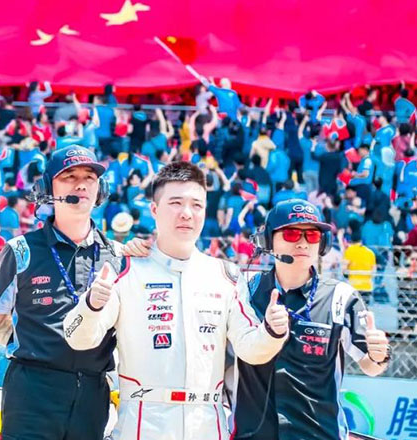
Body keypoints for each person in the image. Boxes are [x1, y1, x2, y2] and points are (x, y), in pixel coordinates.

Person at [63, 161, 288, 440]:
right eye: (176, 203)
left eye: (196, 205)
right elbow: (78, 339)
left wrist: (272, 331)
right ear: (154, 210)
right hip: (142, 425)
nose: (186, 213)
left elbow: (251, 350)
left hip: (207, 424)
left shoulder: (226, 275)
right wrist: (91, 305)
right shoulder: (125, 269)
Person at [0, 145, 127, 440]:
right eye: (69, 176)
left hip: (92, 397)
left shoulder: (119, 257)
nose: (81, 184)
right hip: (32, 393)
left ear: (100, 189)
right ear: (48, 188)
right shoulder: (20, 250)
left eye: (89, 177)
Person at [231, 199, 390, 439]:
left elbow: (370, 366)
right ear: (268, 241)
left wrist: (379, 355)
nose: (303, 243)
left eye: (313, 236)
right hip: (253, 434)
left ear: (323, 244)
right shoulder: (243, 292)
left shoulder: (341, 297)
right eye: (292, 234)